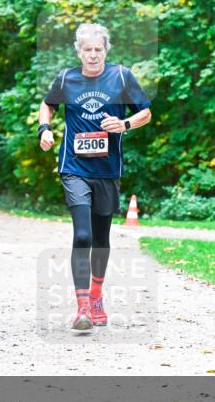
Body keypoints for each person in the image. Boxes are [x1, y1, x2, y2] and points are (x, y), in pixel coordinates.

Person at [38, 23, 152, 331]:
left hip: (107, 170)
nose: (92, 55)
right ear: (78, 51)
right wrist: (44, 130)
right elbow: (47, 106)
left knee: (102, 238)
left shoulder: (121, 77)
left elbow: (145, 112)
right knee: (84, 235)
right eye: (86, 49)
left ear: (106, 50)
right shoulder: (66, 79)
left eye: (97, 49)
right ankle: (83, 307)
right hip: (74, 167)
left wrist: (124, 124)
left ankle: (98, 295)